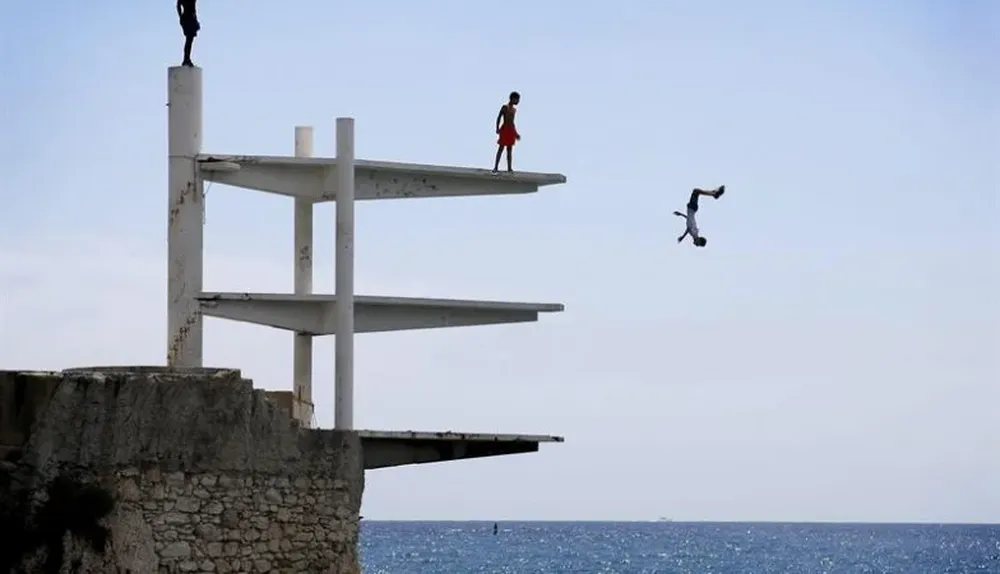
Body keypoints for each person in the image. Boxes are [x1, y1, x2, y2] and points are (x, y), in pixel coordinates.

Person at [493, 91, 521, 172]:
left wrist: (515, 134)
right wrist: (497, 128)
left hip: (510, 130)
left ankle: (509, 168)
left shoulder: (514, 110)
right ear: (512, 99)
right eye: (517, 100)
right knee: (501, 148)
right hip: (504, 129)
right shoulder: (505, 107)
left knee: (509, 150)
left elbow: (512, 122)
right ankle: (496, 167)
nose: (518, 102)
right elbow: (499, 117)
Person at [177, 0, 200, 67]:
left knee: (189, 40)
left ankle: (186, 58)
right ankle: (186, 58)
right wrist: (180, 17)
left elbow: (178, 5)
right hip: (189, 17)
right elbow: (178, 5)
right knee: (189, 40)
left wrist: (181, 16)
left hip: (189, 17)